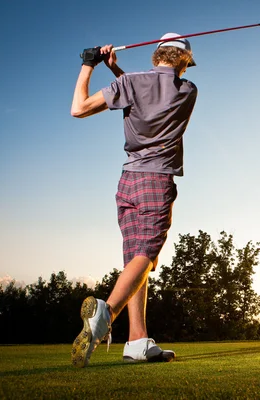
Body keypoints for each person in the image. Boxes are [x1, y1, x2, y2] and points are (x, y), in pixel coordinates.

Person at [69, 34, 198, 368]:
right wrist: (118, 73)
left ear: (156, 55)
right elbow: (155, 97)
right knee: (146, 257)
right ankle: (105, 314)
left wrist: (91, 64)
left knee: (135, 264)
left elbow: (78, 109)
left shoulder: (129, 82)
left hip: (127, 182)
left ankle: (137, 341)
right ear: (183, 61)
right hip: (157, 180)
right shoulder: (187, 91)